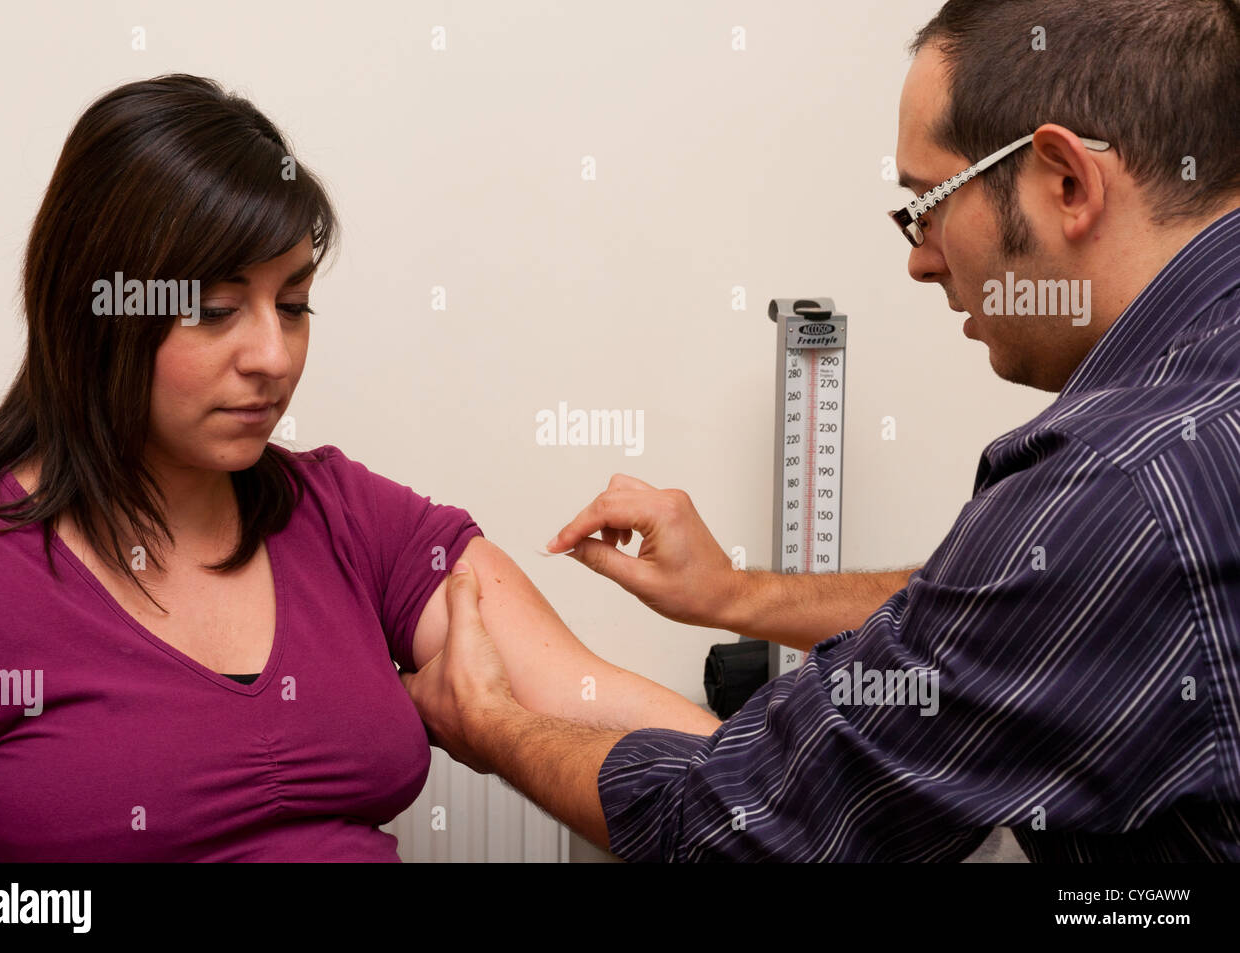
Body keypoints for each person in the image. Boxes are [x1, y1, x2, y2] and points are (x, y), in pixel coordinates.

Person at [401, 0, 1240, 861]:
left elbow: (739, 830)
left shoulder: (1121, 484)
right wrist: (736, 595)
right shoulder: (1168, 455)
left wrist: (494, 724)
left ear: (1066, 181)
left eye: (928, 203)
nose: (920, 258)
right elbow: (1025, 608)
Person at [0, 74, 720, 862]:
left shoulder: (346, 514)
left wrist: (811, 774)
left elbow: (588, 700)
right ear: (94, 309)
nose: (274, 358)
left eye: (294, 304)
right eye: (215, 310)